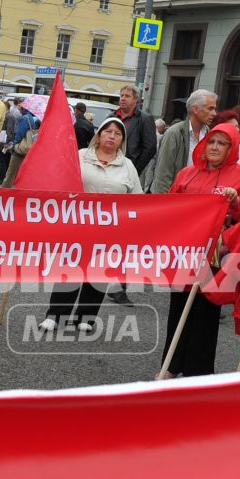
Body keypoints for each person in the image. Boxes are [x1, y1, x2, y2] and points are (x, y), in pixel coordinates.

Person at [163, 120, 240, 376]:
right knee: (178, 308)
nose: (215, 148)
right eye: (212, 142)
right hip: (187, 252)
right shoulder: (187, 173)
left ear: (233, 148)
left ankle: (198, 372)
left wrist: (237, 202)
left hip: (219, 255)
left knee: (206, 313)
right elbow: (169, 207)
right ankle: (171, 366)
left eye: (222, 143)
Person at [42, 117, 144, 332]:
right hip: (78, 225)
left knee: (99, 272)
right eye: (108, 131)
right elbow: (61, 182)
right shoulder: (79, 157)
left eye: (117, 134)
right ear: (98, 135)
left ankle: (86, 318)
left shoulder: (128, 166)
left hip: (110, 230)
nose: (112, 136)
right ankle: (56, 315)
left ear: (122, 140)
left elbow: (137, 198)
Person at [151, 90, 219, 195]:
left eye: (214, 109)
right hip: (176, 199)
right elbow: (163, 175)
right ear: (195, 109)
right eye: (210, 108)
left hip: (198, 199)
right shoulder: (174, 133)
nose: (214, 113)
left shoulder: (209, 134)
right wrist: (162, 204)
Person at [115, 85, 157, 183]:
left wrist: (135, 170)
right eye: (121, 96)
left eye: (127, 96)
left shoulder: (145, 119)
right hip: (109, 167)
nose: (123, 99)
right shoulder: (112, 116)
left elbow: (150, 148)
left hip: (128, 171)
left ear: (136, 99)